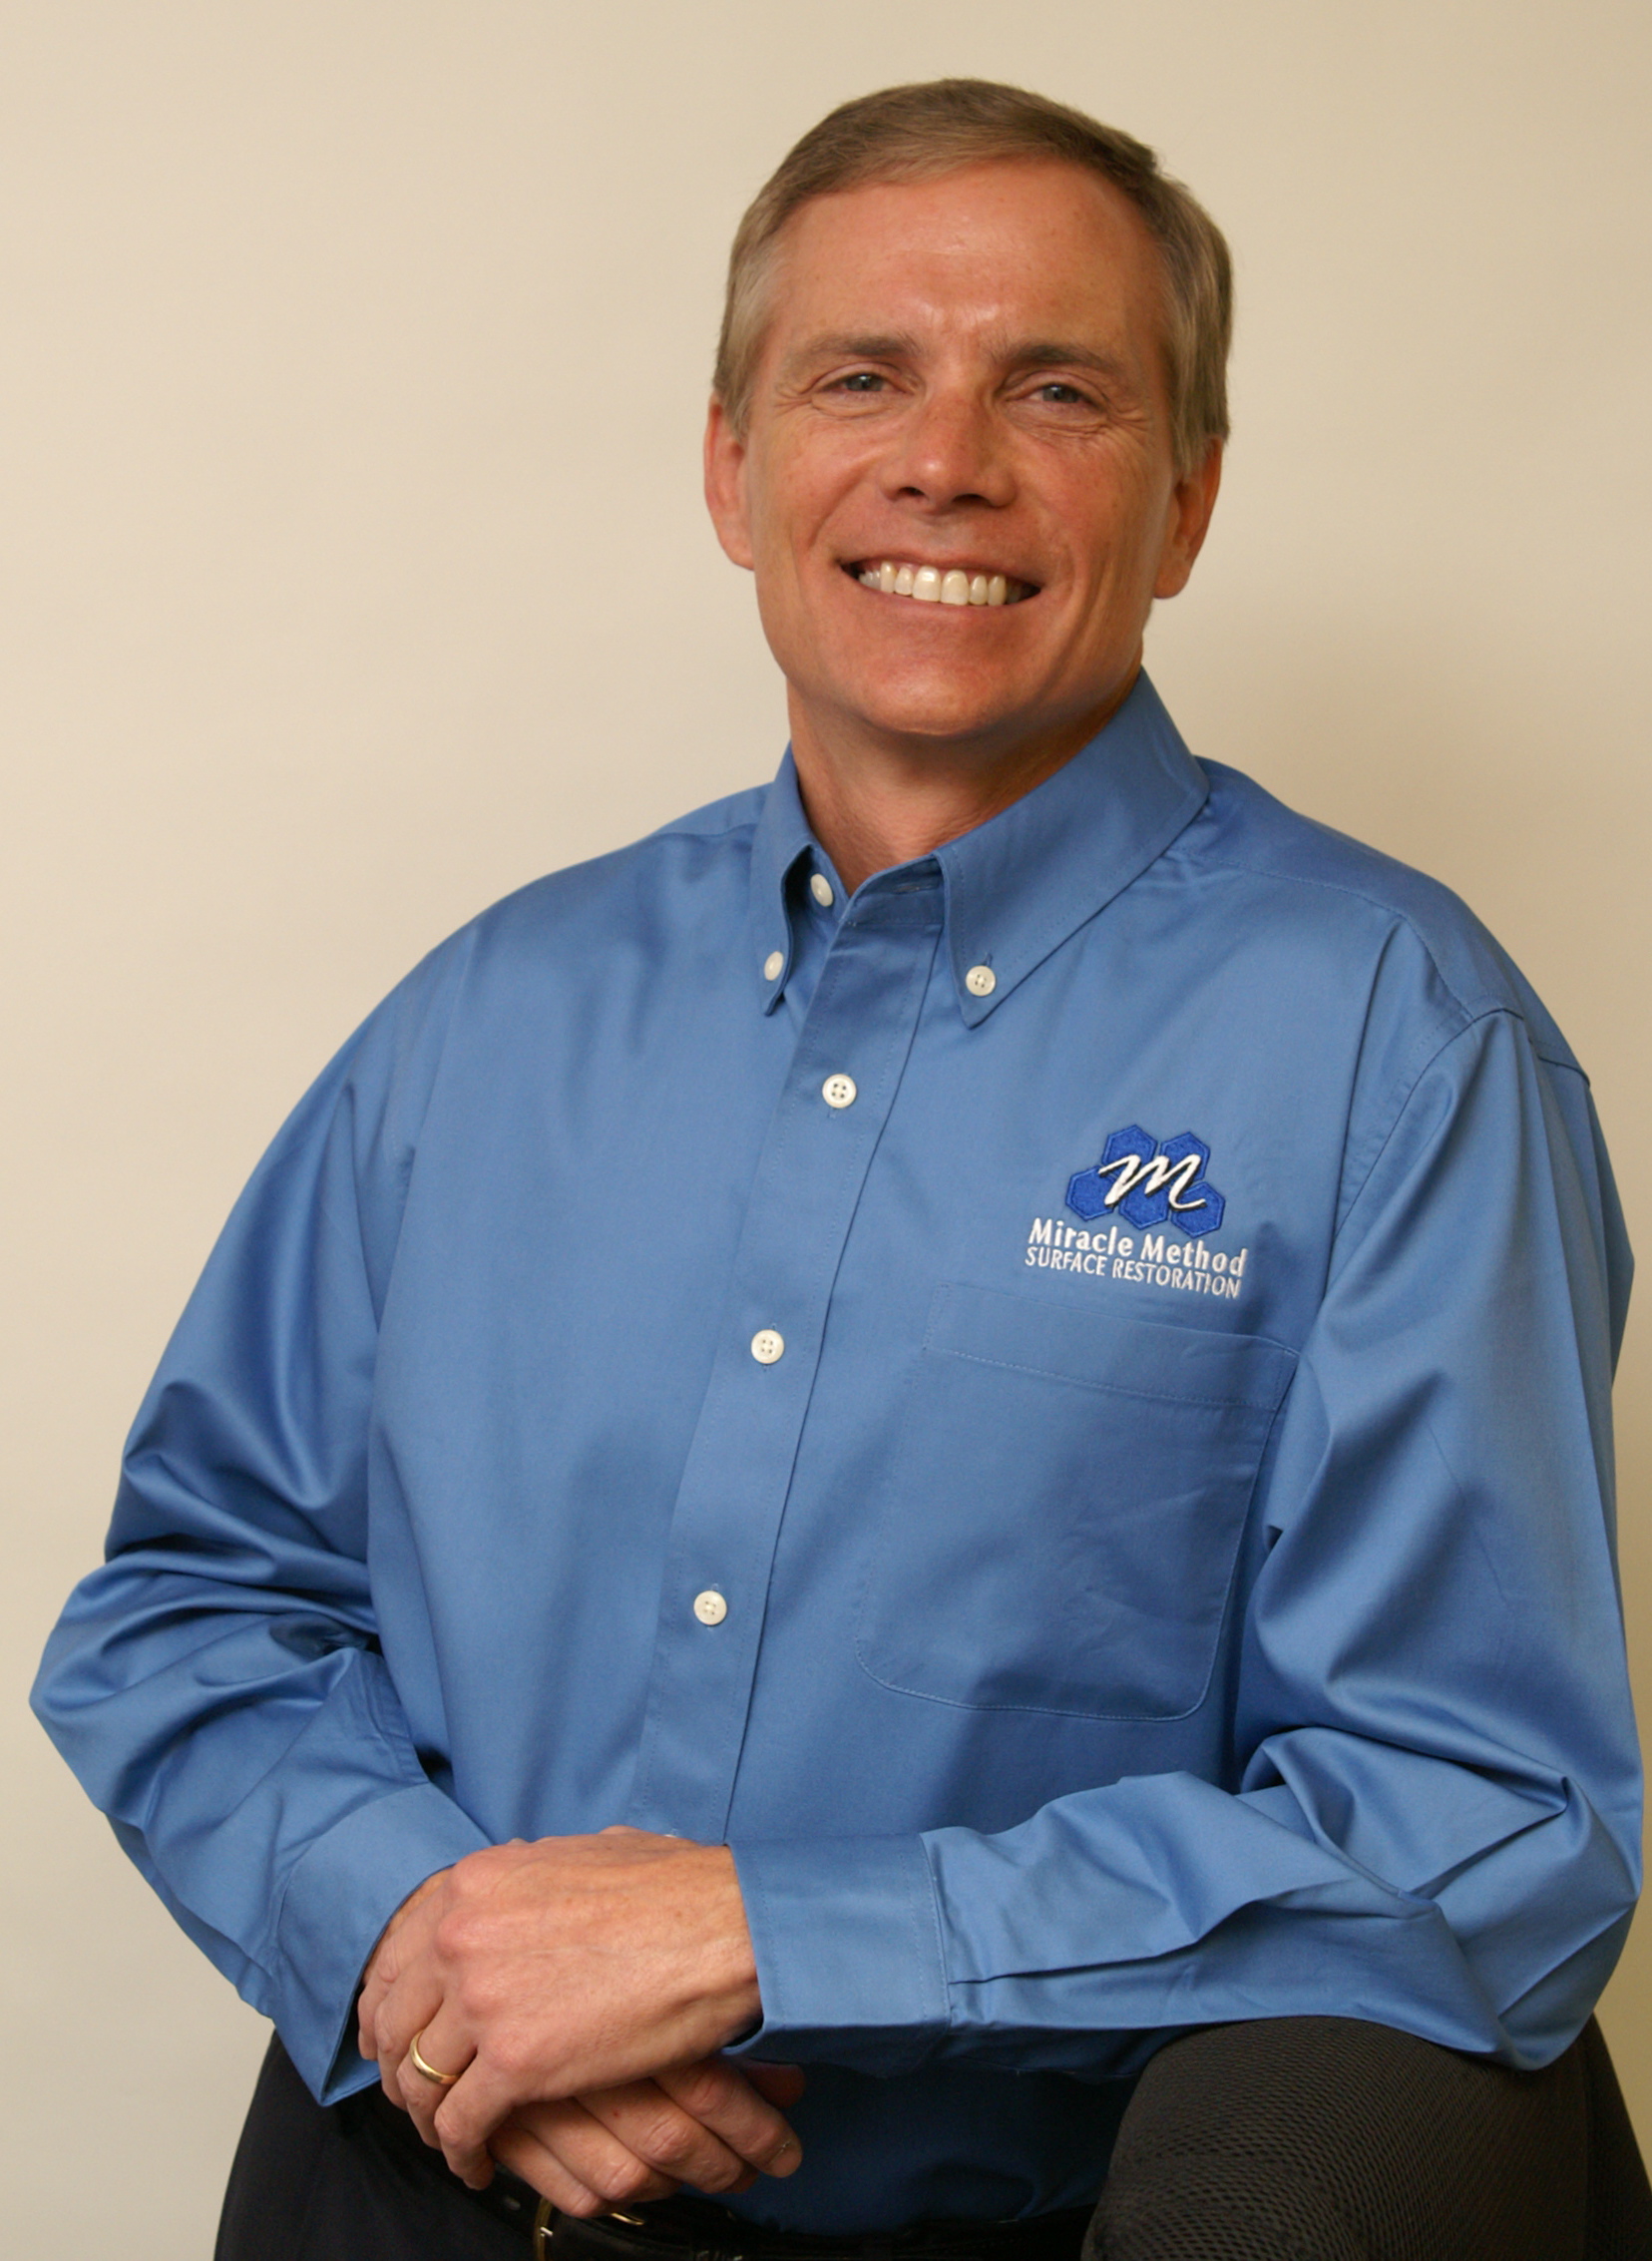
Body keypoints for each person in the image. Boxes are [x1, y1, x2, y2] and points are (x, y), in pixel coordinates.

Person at [33, 77, 1648, 2261]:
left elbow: (1489, 1822)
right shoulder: (487, 1018)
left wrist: (760, 1937)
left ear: (1187, 498)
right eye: (861, 375)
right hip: (467, 2185)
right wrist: (426, 1956)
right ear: (733, 467)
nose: (946, 458)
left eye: (1055, 388)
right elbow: (189, 1602)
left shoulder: (1398, 1042)